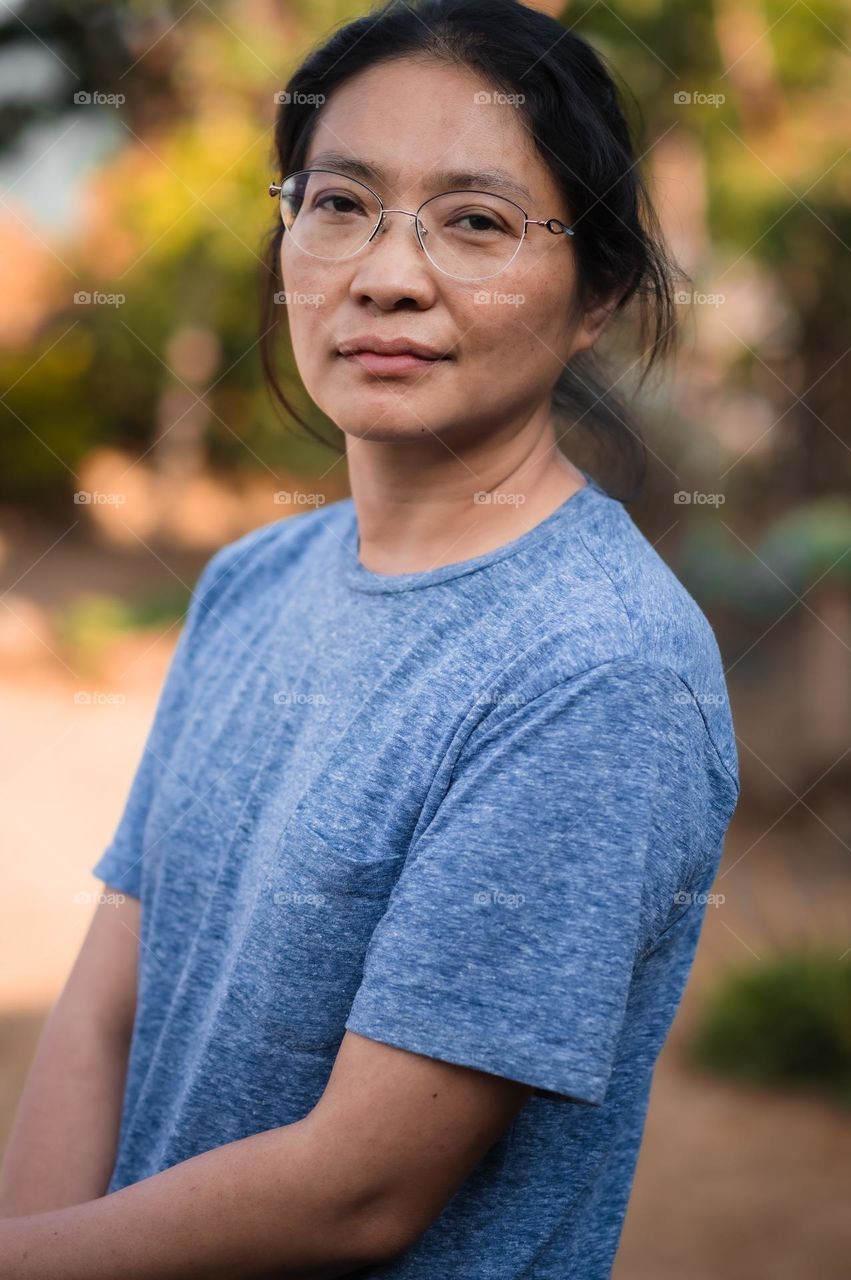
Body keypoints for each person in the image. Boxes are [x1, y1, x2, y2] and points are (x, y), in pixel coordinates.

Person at [0, 1, 740, 1276]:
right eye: (338, 202)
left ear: (594, 300)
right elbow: (107, 1003)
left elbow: (358, 1190)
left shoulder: (594, 668)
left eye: (476, 222)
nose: (385, 275)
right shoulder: (254, 578)